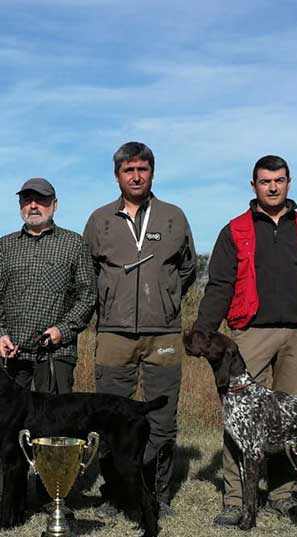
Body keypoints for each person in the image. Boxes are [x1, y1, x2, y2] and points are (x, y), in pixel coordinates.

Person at [191, 154, 297, 528]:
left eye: (279, 180)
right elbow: (219, 286)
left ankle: (281, 496)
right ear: (254, 186)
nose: (272, 187)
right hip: (249, 336)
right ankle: (235, 499)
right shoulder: (235, 230)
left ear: (289, 182)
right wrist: (203, 332)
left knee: (290, 420)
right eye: (264, 181)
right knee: (239, 419)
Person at [82, 142, 197, 517]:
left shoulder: (173, 217)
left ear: (152, 173)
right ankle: (115, 494)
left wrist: (163, 298)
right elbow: (88, 273)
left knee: (161, 418)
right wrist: (111, 301)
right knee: (110, 419)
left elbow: (187, 269)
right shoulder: (100, 220)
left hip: (163, 333)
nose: (136, 176)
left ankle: (158, 494)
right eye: (128, 170)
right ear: (117, 175)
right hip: (113, 334)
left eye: (143, 169)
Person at [0, 177, 96, 520]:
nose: (34, 206)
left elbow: (87, 295)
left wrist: (64, 329)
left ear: (54, 205)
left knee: (56, 431)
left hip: (54, 353)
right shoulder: (4, 245)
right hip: (8, 355)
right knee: (3, 429)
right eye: (27, 200)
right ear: (20, 205)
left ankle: (51, 495)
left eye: (41, 200)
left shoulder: (73, 244)